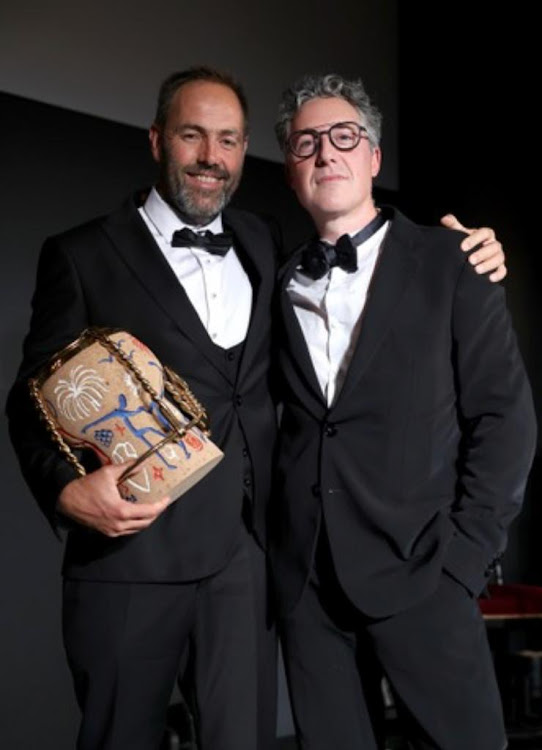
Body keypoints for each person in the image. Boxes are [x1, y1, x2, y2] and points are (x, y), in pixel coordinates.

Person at [6, 65, 507, 750]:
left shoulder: (269, 245)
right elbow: (30, 398)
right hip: (132, 568)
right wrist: (65, 492)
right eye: (193, 135)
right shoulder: (84, 254)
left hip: (249, 569)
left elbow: (495, 413)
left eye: (230, 140)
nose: (212, 156)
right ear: (158, 141)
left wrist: (471, 246)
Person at [271, 73, 537, 750]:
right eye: (306, 143)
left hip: (424, 572)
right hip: (308, 588)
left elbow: (505, 420)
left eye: (343, 136)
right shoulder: (276, 282)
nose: (326, 152)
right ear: (290, 168)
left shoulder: (454, 262)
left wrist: (464, 561)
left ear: (374, 158)